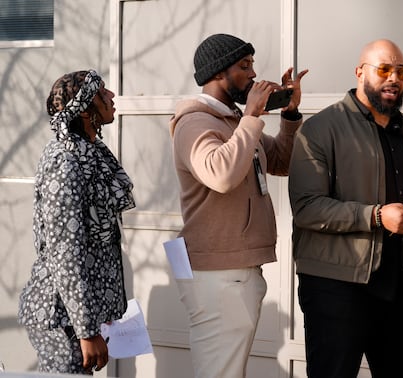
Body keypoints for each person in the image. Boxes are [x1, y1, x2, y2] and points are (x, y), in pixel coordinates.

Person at [168, 33, 307, 378]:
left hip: (234, 271)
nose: (253, 74)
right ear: (218, 74)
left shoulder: (234, 121)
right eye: (244, 66)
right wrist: (253, 115)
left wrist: (289, 116)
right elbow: (221, 174)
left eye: (252, 65)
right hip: (216, 274)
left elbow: (280, 162)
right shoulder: (194, 123)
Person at [288, 39, 403, 377]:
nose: (393, 78)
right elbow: (307, 208)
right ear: (359, 72)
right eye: (383, 69)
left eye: (401, 71)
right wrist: (377, 216)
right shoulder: (321, 128)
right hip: (337, 289)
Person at [17, 70, 136, 375]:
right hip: (61, 317)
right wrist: (85, 330)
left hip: (80, 315)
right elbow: (65, 252)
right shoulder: (65, 161)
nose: (112, 97)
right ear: (84, 108)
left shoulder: (91, 153)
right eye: (103, 93)